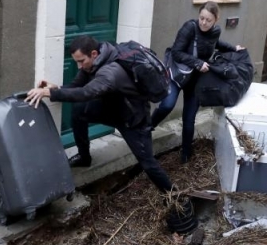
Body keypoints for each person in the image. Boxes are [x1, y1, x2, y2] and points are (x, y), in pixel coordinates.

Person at [25, 35, 174, 193]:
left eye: (81, 61)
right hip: (112, 110)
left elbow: (86, 93)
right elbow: (76, 86)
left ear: (94, 54)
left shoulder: (110, 72)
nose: (79, 66)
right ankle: (84, 157)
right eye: (76, 62)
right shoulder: (91, 64)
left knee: (148, 164)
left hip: (133, 120)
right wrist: (56, 88)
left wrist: (49, 93)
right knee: (79, 111)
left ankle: (175, 197)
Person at [151, 1, 244, 163]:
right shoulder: (189, 28)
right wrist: (197, 63)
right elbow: (176, 52)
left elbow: (216, 43)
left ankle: (185, 156)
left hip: (195, 81)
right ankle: (147, 127)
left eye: (208, 20)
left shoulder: (215, 31)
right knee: (167, 105)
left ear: (215, 20)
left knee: (189, 119)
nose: (204, 23)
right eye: (201, 18)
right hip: (178, 75)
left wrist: (233, 48)